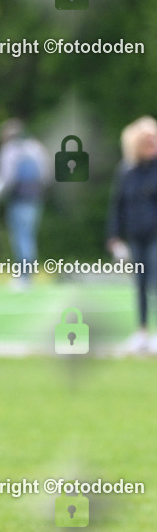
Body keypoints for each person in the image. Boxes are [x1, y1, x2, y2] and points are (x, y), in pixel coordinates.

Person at [106, 115, 157, 354]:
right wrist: (114, 237)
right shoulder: (127, 170)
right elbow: (118, 204)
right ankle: (142, 331)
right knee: (140, 285)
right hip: (136, 235)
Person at [0, 118, 51, 287]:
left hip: (18, 199)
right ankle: (28, 275)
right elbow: (46, 174)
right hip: (35, 198)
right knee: (29, 235)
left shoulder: (9, 150)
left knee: (21, 237)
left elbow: (6, 178)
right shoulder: (35, 147)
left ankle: (24, 277)